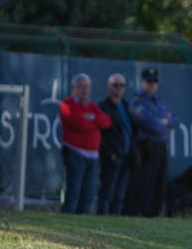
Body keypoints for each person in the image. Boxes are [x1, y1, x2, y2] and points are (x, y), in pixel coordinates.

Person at [125, 68, 180, 218]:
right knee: (146, 185)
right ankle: (140, 214)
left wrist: (165, 121)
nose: (152, 84)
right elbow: (153, 125)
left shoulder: (159, 101)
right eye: (149, 81)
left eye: (155, 81)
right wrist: (164, 122)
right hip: (146, 150)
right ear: (142, 81)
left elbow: (176, 120)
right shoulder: (138, 102)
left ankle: (153, 216)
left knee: (159, 184)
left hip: (161, 149)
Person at [59, 73, 111, 214]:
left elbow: (106, 121)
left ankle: (83, 221)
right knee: (74, 191)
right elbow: (79, 124)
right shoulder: (67, 103)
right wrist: (96, 123)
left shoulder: (92, 105)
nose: (84, 90)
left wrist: (92, 117)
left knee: (87, 193)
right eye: (81, 86)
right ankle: (67, 219)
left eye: (87, 86)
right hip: (75, 153)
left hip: (92, 155)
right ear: (73, 87)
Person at [97, 73, 138, 215]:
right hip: (111, 156)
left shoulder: (127, 106)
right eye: (116, 85)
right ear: (109, 86)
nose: (119, 88)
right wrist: (109, 152)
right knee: (107, 191)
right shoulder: (103, 106)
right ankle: (102, 218)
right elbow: (101, 133)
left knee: (120, 194)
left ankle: (115, 219)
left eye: (122, 85)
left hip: (126, 156)